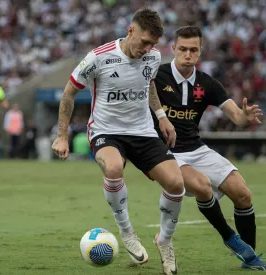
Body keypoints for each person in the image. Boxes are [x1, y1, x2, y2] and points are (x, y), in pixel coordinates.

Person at [51, 8, 184, 275]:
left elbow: (149, 85)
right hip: (106, 131)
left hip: (143, 132)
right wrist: (62, 136)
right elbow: (68, 94)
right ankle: (126, 231)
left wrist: (161, 117)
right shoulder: (98, 58)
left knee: (176, 183)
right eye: (144, 41)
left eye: (153, 44)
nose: (148, 48)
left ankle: (165, 242)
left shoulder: (153, 57)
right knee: (113, 168)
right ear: (130, 30)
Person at [153, 26, 266, 271]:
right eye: (183, 49)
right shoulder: (156, 76)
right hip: (165, 153)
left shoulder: (207, 83)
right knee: (202, 186)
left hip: (196, 148)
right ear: (173, 49)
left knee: (243, 194)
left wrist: (245, 116)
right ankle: (230, 238)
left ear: (200, 52)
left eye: (194, 50)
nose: (188, 54)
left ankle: (248, 255)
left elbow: (237, 118)